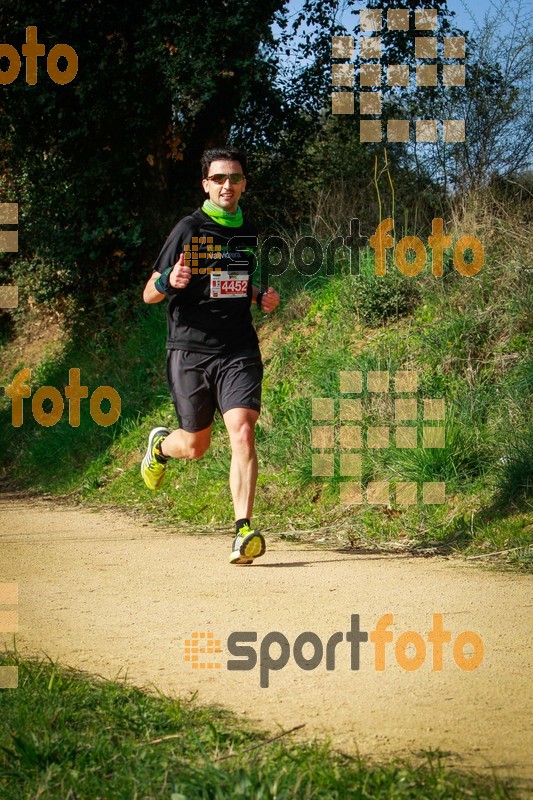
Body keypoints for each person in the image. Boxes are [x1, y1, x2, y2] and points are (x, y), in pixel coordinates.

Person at [141, 147, 280, 565]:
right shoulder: (189, 229)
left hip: (237, 346)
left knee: (242, 429)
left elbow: (231, 279)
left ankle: (243, 530)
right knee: (197, 446)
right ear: (206, 184)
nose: (227, 185)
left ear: (243, 184)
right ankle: (162, 447)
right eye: (219, 178)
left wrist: (259, 296)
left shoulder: (249, 233)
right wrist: (170, 278)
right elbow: (149, 293)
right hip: (190, 349)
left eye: (235, 178)